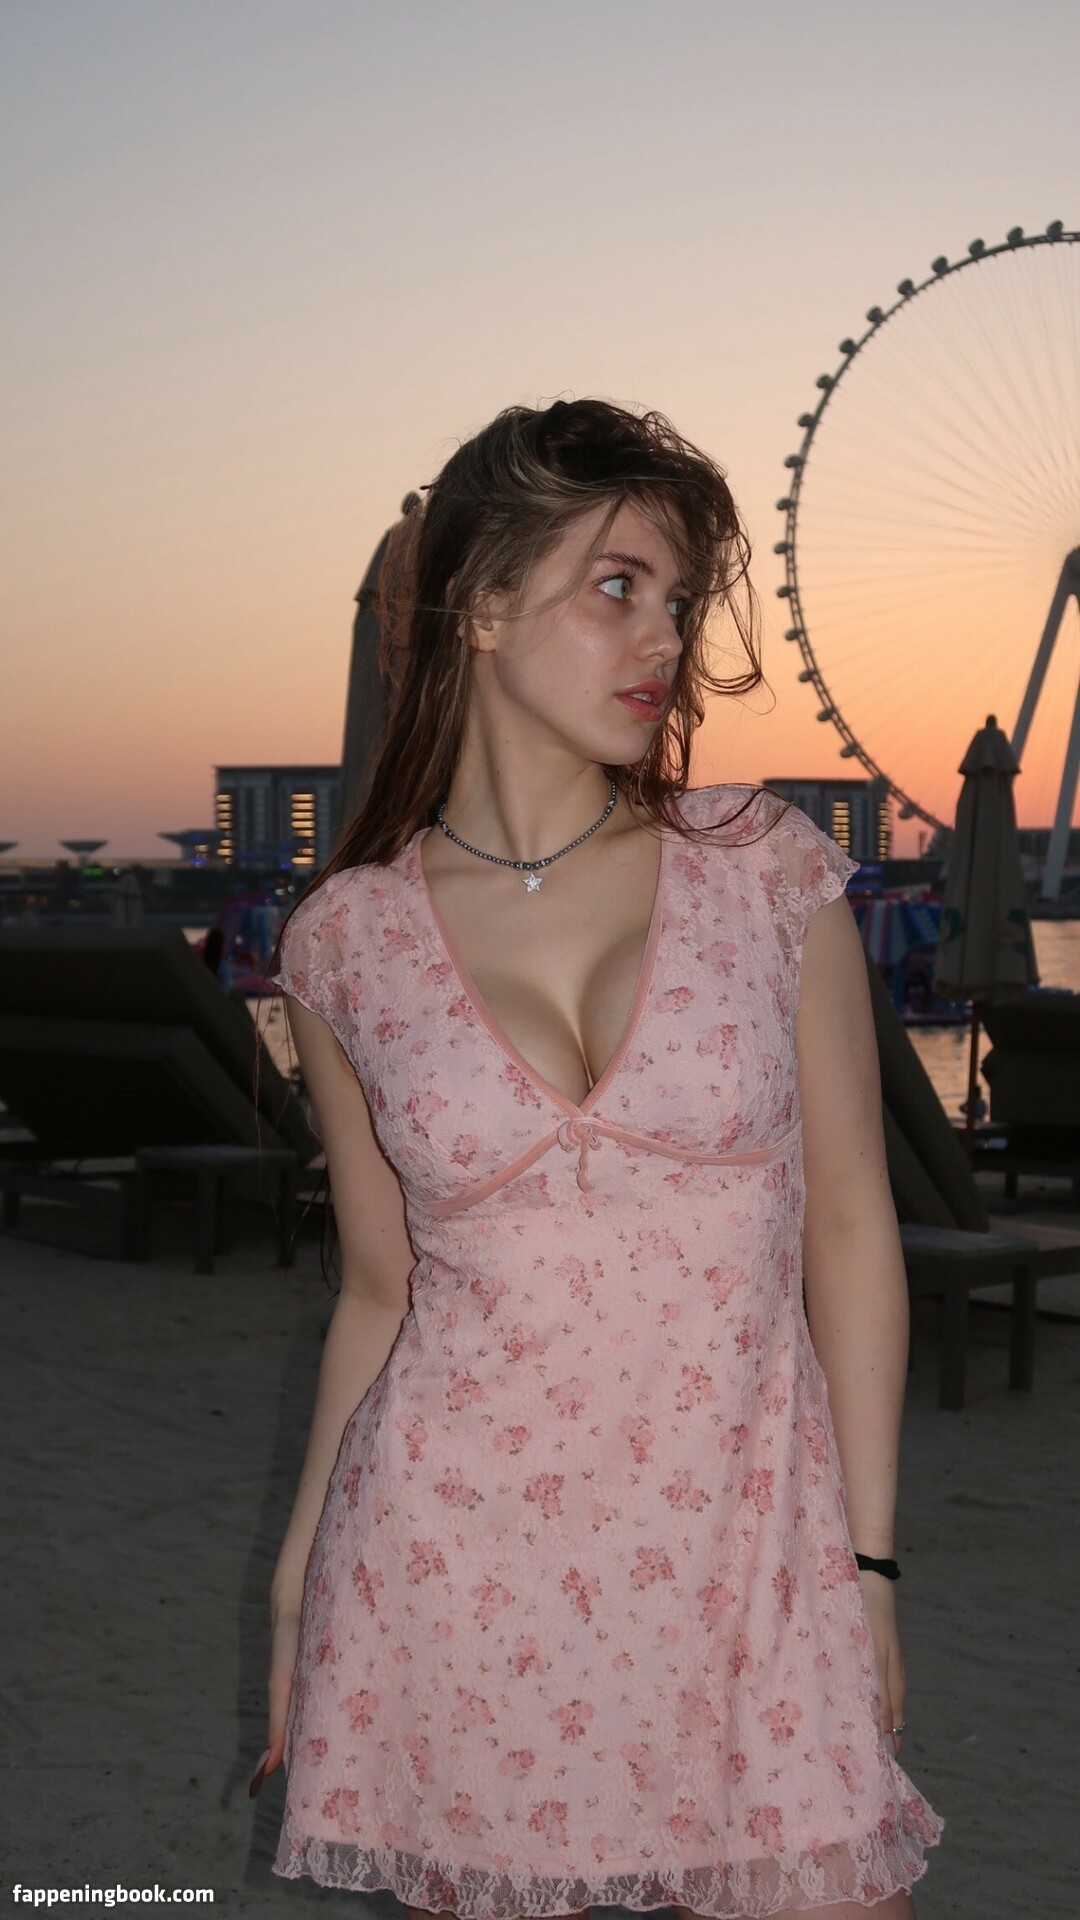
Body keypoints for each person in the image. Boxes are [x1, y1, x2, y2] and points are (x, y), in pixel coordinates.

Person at [252, 398, 944, 1918]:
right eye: (618, 586)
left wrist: (869, 1566)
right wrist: (303, 1574)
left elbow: (849, 1229)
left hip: (753, 1570)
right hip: (453, 1576)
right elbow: (378, 1291)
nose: (665, 640)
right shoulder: (346, 942)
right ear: (485, 607)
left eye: (681, 600)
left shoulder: (760, 870)